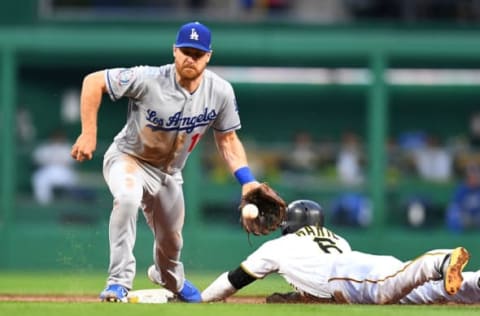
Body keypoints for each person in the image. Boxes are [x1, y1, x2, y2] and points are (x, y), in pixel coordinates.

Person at [70, 21, 262, 303]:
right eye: (185, 51)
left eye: (197, 53)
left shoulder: (220, 91)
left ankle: (168, 278)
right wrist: (88, 132)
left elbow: (228, 140)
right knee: (127, 197)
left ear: (208, 56)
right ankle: (118, 283)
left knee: (172, 242)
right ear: (174, 51)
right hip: (130, 158)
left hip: (169, 173)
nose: (190, 58)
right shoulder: (148, 78)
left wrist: (248, 181)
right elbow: (93, 81)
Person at [201, 200, 470, 304]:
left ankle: (440, 261)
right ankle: (476, 282)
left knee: (385, 290)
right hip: (362, 266)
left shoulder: (278, 246)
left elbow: (233, 280)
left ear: (291, 225)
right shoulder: (336, 238)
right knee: (424, 292)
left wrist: (202, 299)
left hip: (344, 275)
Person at [32, 129, 78, 205]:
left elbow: (73, 161)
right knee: (39, 178)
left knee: (73, 180)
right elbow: (36, 159)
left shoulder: (67, 147)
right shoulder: (45, 147)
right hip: (48, 170)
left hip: (64, 171)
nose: (58, 139)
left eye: (59, 137)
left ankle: (69, 203)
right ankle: (44, 204)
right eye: (56, 137)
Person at [445, 163, 480, 233]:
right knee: (459, 216)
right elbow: (455, 207)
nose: (474, 180)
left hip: (477, 216)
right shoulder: (461, 189)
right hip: (465, 215)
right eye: (472, 177)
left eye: (476, 177)